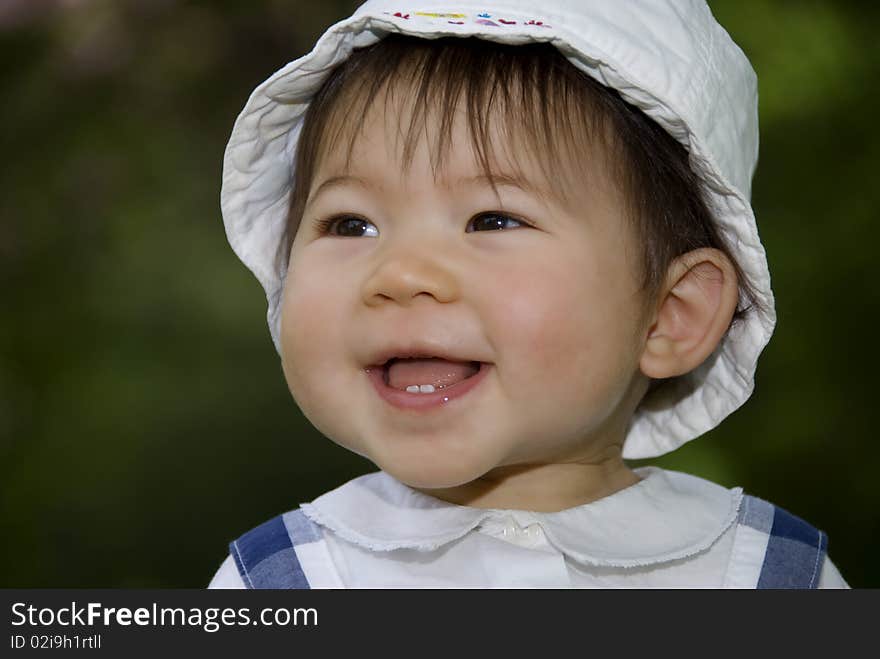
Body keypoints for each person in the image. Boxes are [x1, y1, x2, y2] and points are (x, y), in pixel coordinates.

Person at [209, 0, 848, 588]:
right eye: (351, 224)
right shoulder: (282, 578)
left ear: (668, 315)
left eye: (493, 220)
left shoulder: (769, 575)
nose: (400, 274)